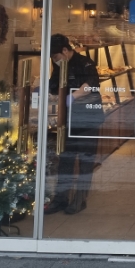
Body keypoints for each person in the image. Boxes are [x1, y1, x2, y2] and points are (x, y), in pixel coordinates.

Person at [46, 34, 104, 215]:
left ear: (65, 50)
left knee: (85, 161)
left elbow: (91, 84)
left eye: (56, 57)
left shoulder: (84, 63)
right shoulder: (59, 66)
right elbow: (54, 86)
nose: (55, 61)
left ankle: (80, 200)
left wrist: (72, 97)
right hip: (68, 120)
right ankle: (60, 199)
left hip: (88, 119)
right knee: (65, 160)